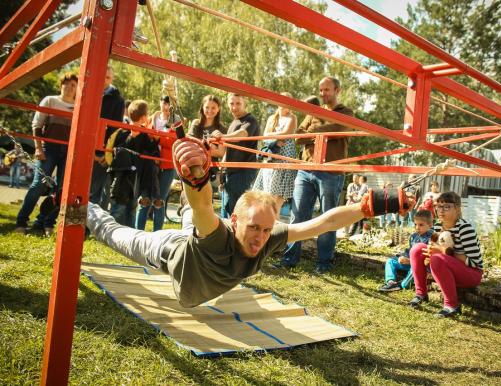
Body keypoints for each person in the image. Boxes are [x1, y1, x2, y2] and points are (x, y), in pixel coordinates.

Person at [86, 137, 387, 308]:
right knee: (114, 234)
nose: (261, 238)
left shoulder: (269, 237)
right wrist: (196, 178)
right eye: (254, 228)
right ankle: (84, 206)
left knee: (198, 220)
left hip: (203, 234)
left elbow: (322, 223)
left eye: (266, 229)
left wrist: (368, 207)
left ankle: (191, 213)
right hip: (167, 251)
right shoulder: (221, 237)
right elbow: (204, 203)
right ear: (235, 222)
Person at [277, 77, 354, 274]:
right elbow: (299, 137)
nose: (322, 94)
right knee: (297, 214)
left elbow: (340, 129)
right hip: (306, 169)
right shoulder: (313, 113)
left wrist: (314, 130)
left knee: (328, 217)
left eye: (327, 90)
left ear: (337, 90)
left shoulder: (345, 112)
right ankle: (289, 259)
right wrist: (320, 131)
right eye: (320, 90)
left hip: (330, 171)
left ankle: (323, 263)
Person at [14, 73, 78, 235]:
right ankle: (21, 223)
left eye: (74, 85)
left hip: (68, 152)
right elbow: (37, 125)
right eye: (67, 84)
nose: (70, 88)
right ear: (61, 85)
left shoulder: (79, 105)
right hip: (48, 148)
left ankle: (47, 224)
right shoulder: (50, 100)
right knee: (38, 185)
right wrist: (38, 148)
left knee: (63, 190)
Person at [408, 192, 483, 318]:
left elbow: (475, 263)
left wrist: (443, 252)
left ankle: (452, 305)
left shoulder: (465, 229)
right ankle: (421, 294)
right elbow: (433, 246)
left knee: (437, 258)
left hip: (471, 274)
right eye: (438, 206)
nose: (441, 210)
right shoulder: (437, 225)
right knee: (417, 249)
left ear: (457, 209)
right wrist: (429, 253)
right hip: (446, 269)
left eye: (446, 206)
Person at [135, 96, 180, 231]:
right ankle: (138, 234)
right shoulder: (150, 120)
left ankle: (158, 235)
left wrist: (156, 137)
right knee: (145, 199)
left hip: (167, 166)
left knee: (159, 201)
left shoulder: (177, 122)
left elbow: (174, 142)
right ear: (160, 103)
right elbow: (143, 137)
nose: (166, 107)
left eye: (170, 104)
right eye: (165, 103)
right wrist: (159, 137)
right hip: (149, 165)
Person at [212, 93, 259, 217]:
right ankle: (229, 235)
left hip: (243, 170)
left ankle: (236, 235)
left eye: (238, 103)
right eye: (231, 103)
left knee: (235, 210)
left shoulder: (250, 120)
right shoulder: (234, 122)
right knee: (226, 209)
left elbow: (242, 134)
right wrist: (222, 169)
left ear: (245, 103)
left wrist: (222, 136)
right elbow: (228, 149)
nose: (234, 107)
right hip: (230, 171)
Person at [108, 100, 152, 227]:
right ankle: (110, 230)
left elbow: (149, 149)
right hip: (123, 174)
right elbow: (118, 150)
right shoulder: (124, 131)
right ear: (143, 117)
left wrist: (152, 137)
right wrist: (131, 137)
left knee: (132, 206)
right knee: (119, 205)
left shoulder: (144, 132)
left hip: (136, 174)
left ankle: (129, 233)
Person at [253, 92, 298, 210]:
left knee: (279, 195)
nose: (283, 104)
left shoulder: (292, 117)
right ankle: (267, 218)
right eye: (281, 100)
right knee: (267, 189)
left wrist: (272, 135)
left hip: (285, 155)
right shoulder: (272, 118)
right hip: (272, 153)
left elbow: (286, 134)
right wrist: (276, 137)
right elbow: (265, 135)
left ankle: (273, 219)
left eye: (287, 101)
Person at [90, 65, 125, 209]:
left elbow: (114, 128)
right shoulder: (88, 91)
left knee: (97, 190)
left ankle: (89, 226)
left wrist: (106, 151)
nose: (104, 80)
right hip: (84, 144)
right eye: (102, 76)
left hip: (102, 150)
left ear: (112, 79)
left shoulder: (117, 99)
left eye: (108, 77)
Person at [378, 209, 433, 292]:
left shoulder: (432, 238)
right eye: (415, 224)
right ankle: (391, 282)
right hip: (410, 262)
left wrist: (412, 262)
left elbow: (430, 258)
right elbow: (409, 251)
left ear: (430, 225)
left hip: (422, 267)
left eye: (421, 225)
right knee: (390, 261)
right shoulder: (414, 236)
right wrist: (402, 257)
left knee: (413, 270)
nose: (417, 227)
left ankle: (402, 285)